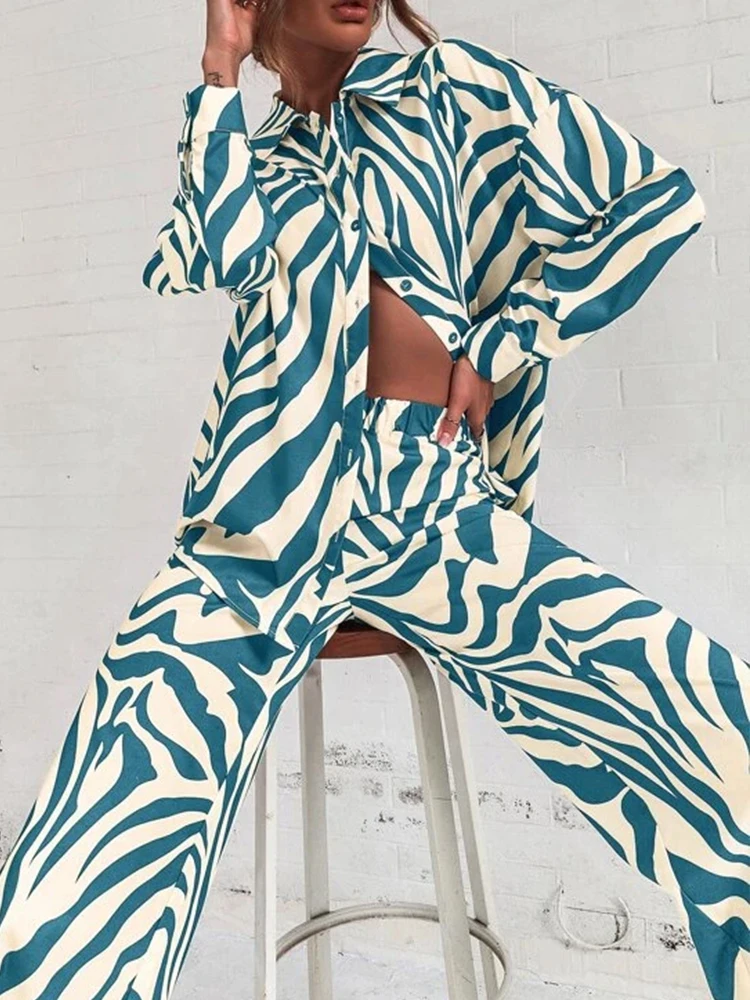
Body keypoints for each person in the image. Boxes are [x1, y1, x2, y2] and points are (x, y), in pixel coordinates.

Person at [0, 1, 747, 997]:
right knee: (100, 820)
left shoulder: (447, 90)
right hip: (261, 518)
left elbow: (654, 202)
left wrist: (507, 338)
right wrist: (219, 69)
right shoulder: (252, 156)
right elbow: (215, 253)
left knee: (710, 718)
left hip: (432, 506)